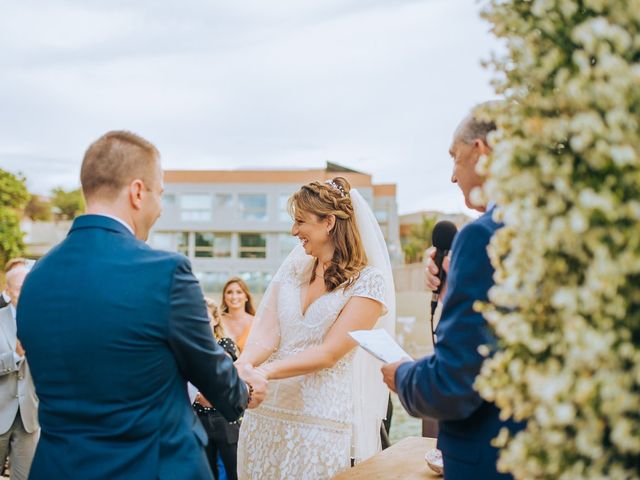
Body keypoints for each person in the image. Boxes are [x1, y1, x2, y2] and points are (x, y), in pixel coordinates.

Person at [17, 130, 266, 480]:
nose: (160, 208)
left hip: (58, 467)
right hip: (151, 467)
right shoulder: (165, 272)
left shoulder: (36, 278)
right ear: (137, 192)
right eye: (160, 194)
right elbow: (214, 378)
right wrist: (244, 385)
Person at [381, 104, 522, 479]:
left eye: (455, 159)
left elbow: (456, 382)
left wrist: (404, 377)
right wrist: (451, 288)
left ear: (482, 150)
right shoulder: (546, 224)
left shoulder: (481, 236)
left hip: (489, 458)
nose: (452, 176)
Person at [236, 177, 396, 479]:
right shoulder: (293, 271)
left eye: (301, 222)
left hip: (318, 422)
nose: (294, 231)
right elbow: (267, 336)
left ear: (329, 222)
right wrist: (242, 366)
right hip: (266, 413)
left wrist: (265, 372)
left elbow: (328, 353)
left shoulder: (369, 282)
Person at [193, 298, 241, 480]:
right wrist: (197, 396)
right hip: (199, 415)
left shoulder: (224, 345)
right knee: (207, 471)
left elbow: (223, 375)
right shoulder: (191, 346)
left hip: (224, 417)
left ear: (214, 320)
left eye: (206, 317)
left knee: (233, 468)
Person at [0, 265, 39, 480]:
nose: (24, 295)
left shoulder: (43, 319)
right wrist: (14, 356)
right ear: (7, 291)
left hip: (29, 416)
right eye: (19, 289)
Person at [220, 278, 255, 352]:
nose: (234, 297)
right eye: (229, 292)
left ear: (246, 297)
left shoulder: (256, 322)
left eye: (239, 292)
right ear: (224, 297)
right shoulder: (217, 321)